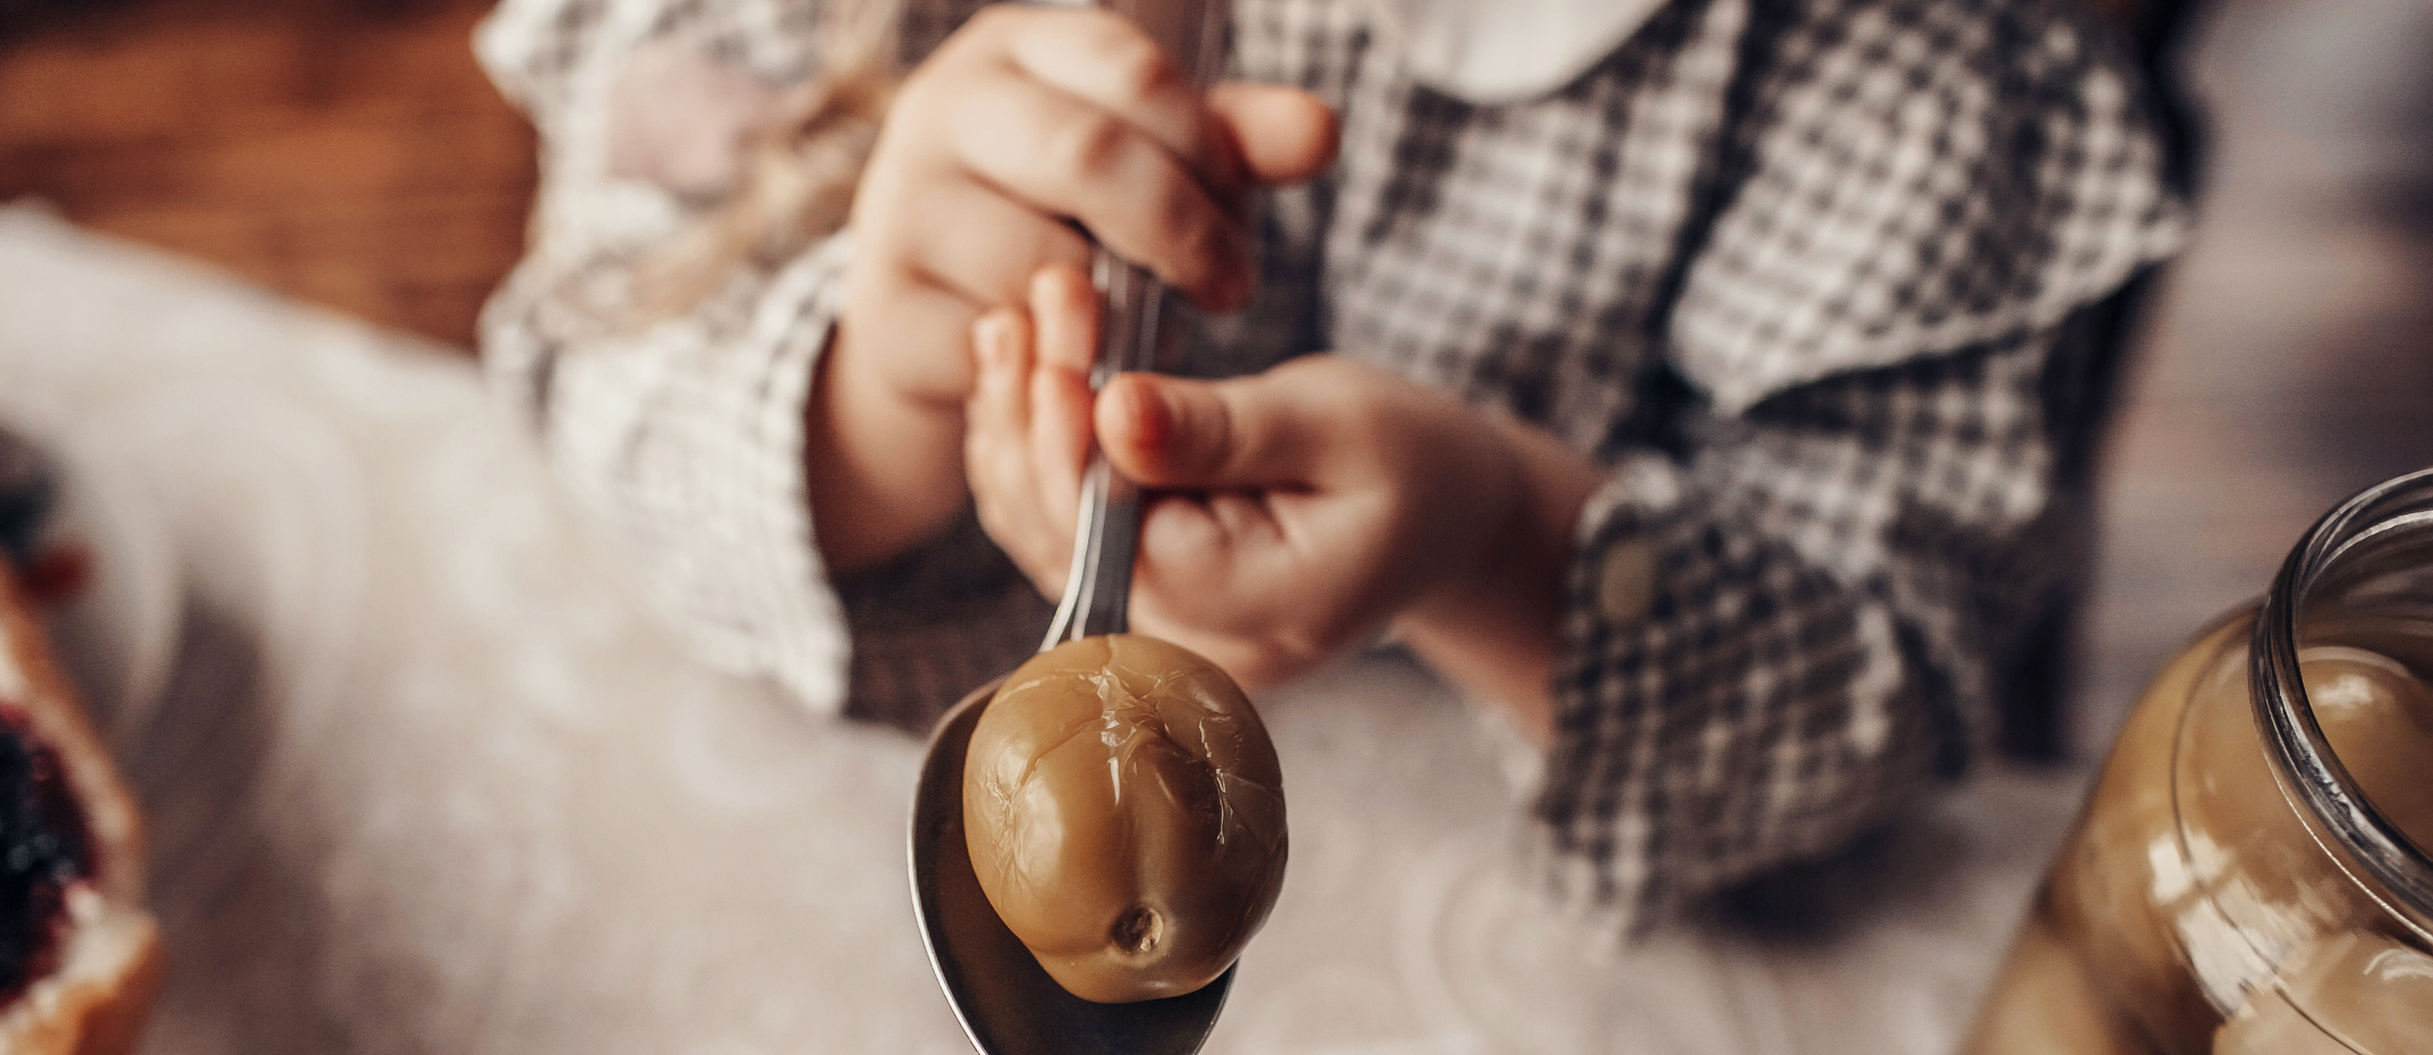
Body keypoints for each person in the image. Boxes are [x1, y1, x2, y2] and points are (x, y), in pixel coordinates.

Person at [475, 0, 2186, 928]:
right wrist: (882, 390)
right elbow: (595, 331)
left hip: (1563, 883)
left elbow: (1886, 673)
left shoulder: (1905, 70)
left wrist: (1501, 541)